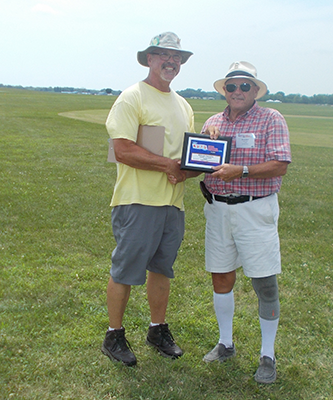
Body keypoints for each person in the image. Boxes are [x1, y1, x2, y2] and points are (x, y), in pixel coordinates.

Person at [101, 32, 197, 366]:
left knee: (162, 270)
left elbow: (186, 157)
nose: (171, 61)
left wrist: (190, 169)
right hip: (137, 201)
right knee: (126, 270)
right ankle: (114, 335)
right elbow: (122, 149)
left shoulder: (184, 105)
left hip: (173, 204)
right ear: (150, 59)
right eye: (163, 55)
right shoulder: (132, 97)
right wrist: (168, 165)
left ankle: (158, 330)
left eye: (177, 57)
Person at [199, 61, 292, 384]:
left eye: (244, 86)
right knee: (221, 277)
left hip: (256, 210)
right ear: (224, 90)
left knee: (264, 283)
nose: (237, 91)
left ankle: (268, 354)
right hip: (219, 210)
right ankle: (226, 343)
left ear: (255, 90)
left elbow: (280, 165)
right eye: (231, 86)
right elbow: (200, 160)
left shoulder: (271, 119)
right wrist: (203, 144)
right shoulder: (212, 122)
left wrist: (242, 171)